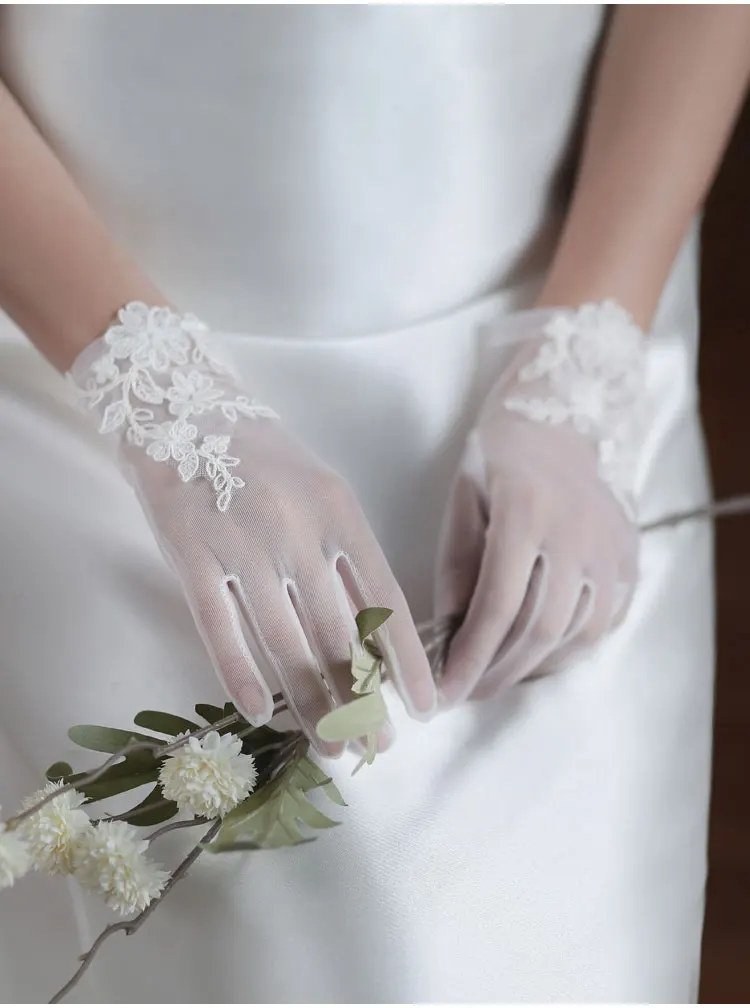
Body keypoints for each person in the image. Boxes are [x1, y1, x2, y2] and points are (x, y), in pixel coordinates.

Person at [0, 5, 748, 1002]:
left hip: (563, 354)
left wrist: (585, 363)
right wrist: (166, 408)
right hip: (73, 370)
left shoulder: (579, 388)